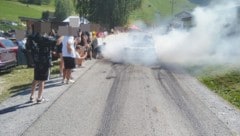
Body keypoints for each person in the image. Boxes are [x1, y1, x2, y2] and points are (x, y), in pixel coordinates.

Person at [27, 33, 54, 103]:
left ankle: (32, 96)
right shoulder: (46, 38)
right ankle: (39, 98)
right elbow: (56, 42)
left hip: (36, 60)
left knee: (36, 78)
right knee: (42, 80)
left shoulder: (32, 36)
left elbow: (28, 47)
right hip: (44, 61)